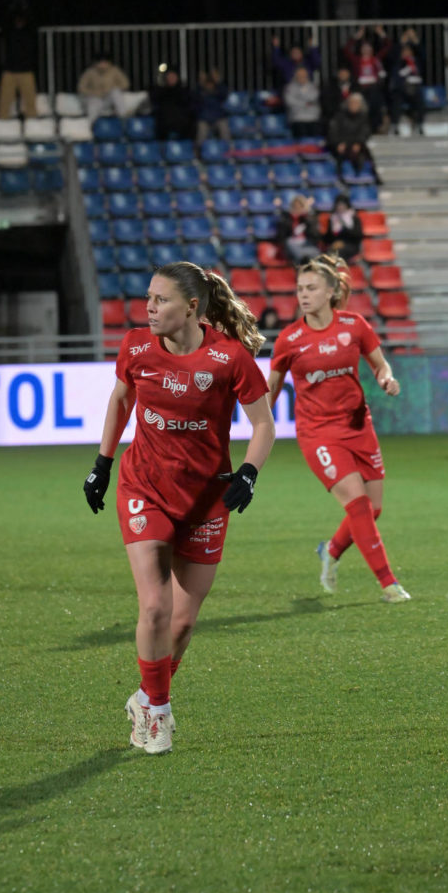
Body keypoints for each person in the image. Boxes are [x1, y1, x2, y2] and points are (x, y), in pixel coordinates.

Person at [83, 261, 275, 754]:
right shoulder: (135, 346)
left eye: (160, 300)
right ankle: (159, 714)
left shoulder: (229, 358)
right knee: (155, 606)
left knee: (183, 623)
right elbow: (121, 400)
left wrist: (249, 473)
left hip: (206, 499)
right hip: (144, 487)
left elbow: (264, 424)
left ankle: (146, 696)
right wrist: (103, 464)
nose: (148, 308)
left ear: (191, 307)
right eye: (148, 298)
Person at [267, 254, 410, 604]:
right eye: (300, 289)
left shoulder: (354, 325)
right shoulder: (289, 339)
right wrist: (259, 426)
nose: (303, 295)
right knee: (358, 505)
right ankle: (389, 584)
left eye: (311, 288)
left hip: (359, 426)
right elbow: (270, 389)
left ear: (331, 292)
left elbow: (380, 365)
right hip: (318, 434)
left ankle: (330, 550)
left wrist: (386, 379)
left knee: (373, 508)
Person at [0, 0, 38, 119]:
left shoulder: (29, 31)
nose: (19, 22)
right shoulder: (9, 31)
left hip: (26, 71)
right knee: (4, 102)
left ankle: (32, 123)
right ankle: (2, 122)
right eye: (17, 19)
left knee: (30, 102)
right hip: (9, 71)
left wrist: (25, 8)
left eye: (21, 19)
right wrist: (12, 9)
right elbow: (4, 25)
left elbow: (33, 22)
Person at [342, 28, 390, 133]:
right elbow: (346, 50)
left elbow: (388, 47)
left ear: (372, 50)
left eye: (369, 48)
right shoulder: (357, 60)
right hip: (360, 88)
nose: (366, 50)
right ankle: (361, 128)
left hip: (373, 87)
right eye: (364, 48)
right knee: (361, 107)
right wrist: (355, 38)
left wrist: (382, 34)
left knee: (375, 104)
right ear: (361, 50)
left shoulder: (376, 59)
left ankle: (375, 128)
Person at [326, 91, 381, 182]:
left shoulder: (363, 117)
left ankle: (370, 178)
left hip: (356, 144)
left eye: (356, 103)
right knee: (339, 155)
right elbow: (333, 132)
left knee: (364, 154)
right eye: (352, 102)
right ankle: (339, 178)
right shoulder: (339, 116)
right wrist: (338, 143)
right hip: (340, 145)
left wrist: (358, 143)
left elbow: (365, 132)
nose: (354, 105)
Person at [77, 52, 130, 125]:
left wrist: (111, 88)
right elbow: (81, 87)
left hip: (107, 100)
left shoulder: (115, 71)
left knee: (116, 92)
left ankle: (124, 120)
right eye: (100, 62)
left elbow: (125, 84)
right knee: (94, 101)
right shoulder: (90, 72)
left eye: (105, 62)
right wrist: (94, 93)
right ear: (96, 63)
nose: (103, 64)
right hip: (93, 100)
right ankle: (92, 125)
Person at [274, 193, 322, 265]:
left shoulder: (310, 218)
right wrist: (289, 220)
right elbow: (282, 236)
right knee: (290, 243)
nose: (297, 209)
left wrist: (306, 220)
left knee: (315, 252)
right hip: (292, 243)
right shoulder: (286, 218)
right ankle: (303, 260)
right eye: (295, 207)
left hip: (306, 243)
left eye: (300, 207)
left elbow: (315, 235)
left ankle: (306, 259)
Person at [390, 42, 425, 134]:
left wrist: (415, 41)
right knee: (396, 101)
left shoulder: (416, 62)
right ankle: (394, 125)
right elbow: (397, 76)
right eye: (404, 51)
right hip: (402, 89)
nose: (407, 53)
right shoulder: (398, 62)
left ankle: (419, 125)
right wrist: (408, 69)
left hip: (414, 89)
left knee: (420, 100)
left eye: (408, 51)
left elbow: (422, 54)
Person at [194, 68, 230, 147]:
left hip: (218, 118)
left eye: (211, 84)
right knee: (201, 130)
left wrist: (218, 81)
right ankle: (198, 150)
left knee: (224, 128)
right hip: (205, 119)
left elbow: (224, 94)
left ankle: (228, 149)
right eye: (207, 84)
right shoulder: (201, 92)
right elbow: (195, 96)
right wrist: (201, 82)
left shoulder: (218, 92)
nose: (209, 86)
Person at [284, 65, 322, 137]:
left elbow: (314, 97)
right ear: (295, 75)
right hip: (297, 118)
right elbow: (289, 101)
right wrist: (306, 103)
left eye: (304, 75)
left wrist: (299, 98)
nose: (302, 77)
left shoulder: (313, 86)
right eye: (299, 75)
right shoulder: (290, 87)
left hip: (313, 118)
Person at [322, 193, 363, 261]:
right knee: (327, 254)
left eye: (342, 205)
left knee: (338, 253)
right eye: (338, 205)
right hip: (335, 245)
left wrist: (343, 225)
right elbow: (328, 238)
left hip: (351, 245)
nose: (340, 207)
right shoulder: (333, 218)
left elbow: (358, 236)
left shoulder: (353, 217)